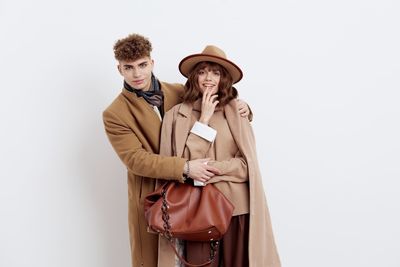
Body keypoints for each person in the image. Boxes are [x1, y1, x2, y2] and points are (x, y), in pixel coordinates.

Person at [102, 34, 251, 267]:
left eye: (142, 65)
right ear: (119, 69)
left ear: (152, 63)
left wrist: (242, 107)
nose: (137, 74)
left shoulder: (179, 92)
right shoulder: (115, 113)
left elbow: (215, 98)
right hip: (156, 191)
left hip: (200, 194)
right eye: (128, 68)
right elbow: (136, 160)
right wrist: (185, 167)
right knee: (161, 259)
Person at [158, 45, 281, 267]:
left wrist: (207, 170)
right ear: (194, 76)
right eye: (203, 71)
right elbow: (180, 168)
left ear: (224, 79)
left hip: (237, 209)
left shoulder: (237, 112)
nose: (209, 78)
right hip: (196, 212)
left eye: (216, 72)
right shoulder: (175, 116)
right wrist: (203, 121)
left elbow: (247, 166)